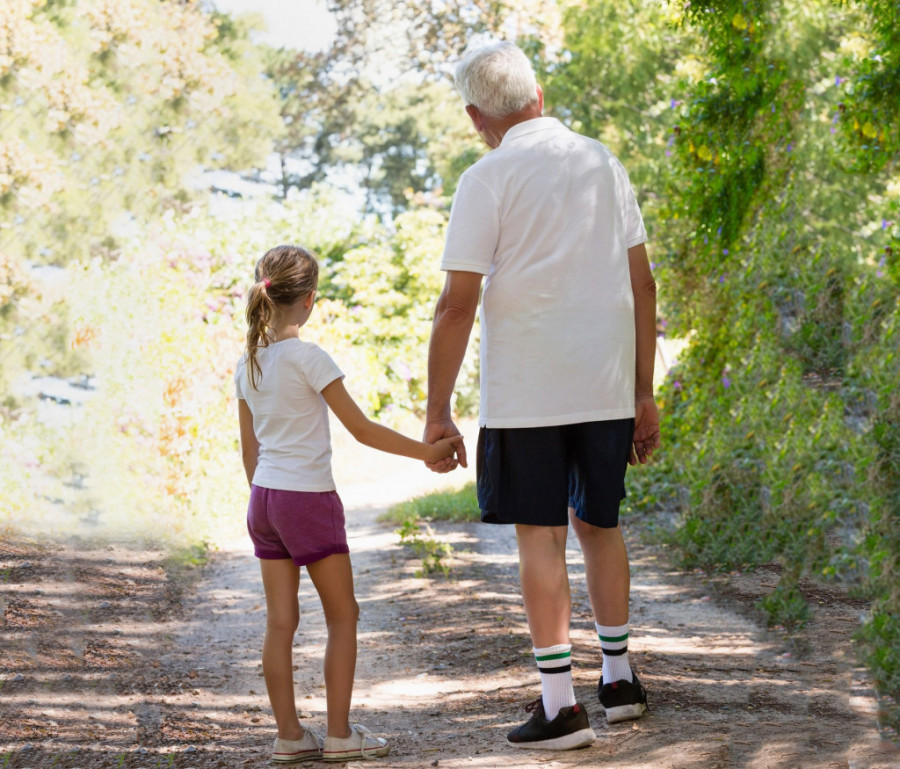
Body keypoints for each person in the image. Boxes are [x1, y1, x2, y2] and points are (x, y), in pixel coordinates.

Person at [424, 42, 660, 750]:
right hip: (606, 386)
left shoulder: (486, 178)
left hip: (529, 395)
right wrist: (643, 392)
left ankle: (560, 707)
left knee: (542, 536)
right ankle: (619, 681)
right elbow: (642, 283)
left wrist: (438, 411)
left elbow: (456, 305)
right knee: (600, 526)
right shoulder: (602, 162)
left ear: (475, 117)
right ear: (539, 94)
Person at [235, 245, 463, 763]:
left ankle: (290, 736)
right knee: (343, 616)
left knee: (280, 623)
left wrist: (268, 503)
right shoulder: (309, 357)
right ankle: (339, 735)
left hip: (264, 499)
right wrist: (429, 452)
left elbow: (250, 453)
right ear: (310, 299)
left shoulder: (247, 363)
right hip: (306, 500)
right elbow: (361, 429)